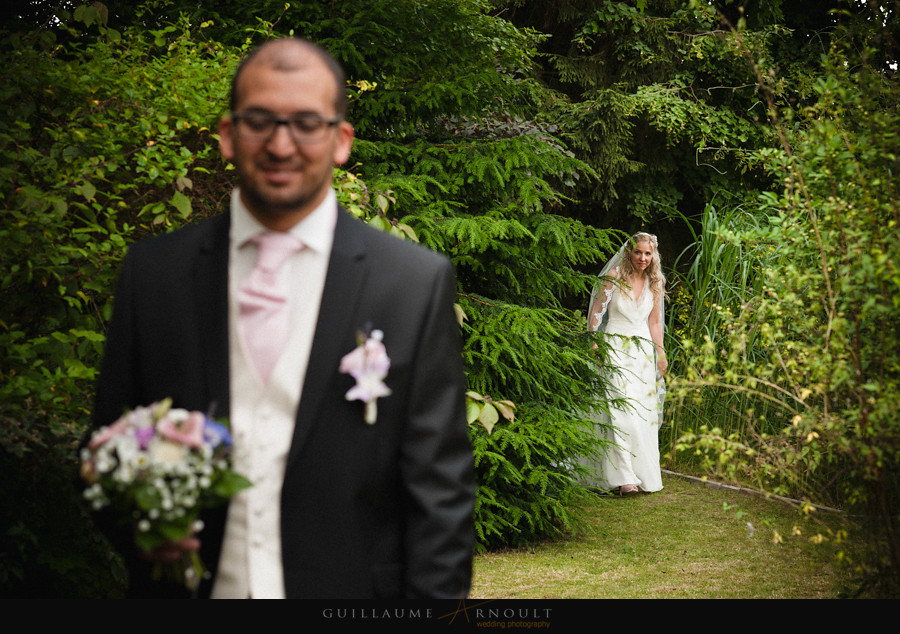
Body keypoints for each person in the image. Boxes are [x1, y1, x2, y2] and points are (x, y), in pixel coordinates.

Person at [90, 37, 475, 599]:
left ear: (341, 140)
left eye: (305, 123)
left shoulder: (413, 283)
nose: (280, 143)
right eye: (259, 120)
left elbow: (441, 499)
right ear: (227, 134)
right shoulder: (154, 275)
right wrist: (142, 529)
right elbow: (100, 450)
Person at [585, 232, 667, 495]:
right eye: (638, 252)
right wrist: (595, 342)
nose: (642, 258)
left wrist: (661, 353)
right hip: (614, 347)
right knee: (619, 412)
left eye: (647, 253)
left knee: (641, 413)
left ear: (653, 256)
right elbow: (596, 312)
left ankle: (641, 473)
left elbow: (654, 322)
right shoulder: (615, 276)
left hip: (642, 352)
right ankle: (624, 479)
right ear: (629, 253)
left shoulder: (655, 282)